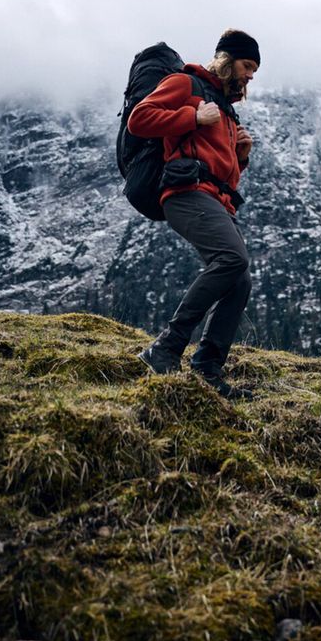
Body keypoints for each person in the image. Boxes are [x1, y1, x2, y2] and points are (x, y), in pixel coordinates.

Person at [128, 29, 260, 400]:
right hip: (187, 194)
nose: (250, 75)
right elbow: (140, 119)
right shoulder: (185, 83)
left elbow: (222, 167)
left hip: (216, 199)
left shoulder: (226, 110)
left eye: (254, 70)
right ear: (226, 60)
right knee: (232, 259)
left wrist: (242, 155)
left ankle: (207, 368)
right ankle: (166, 347)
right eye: (247, 66)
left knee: (240, 280)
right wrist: (192, 117)